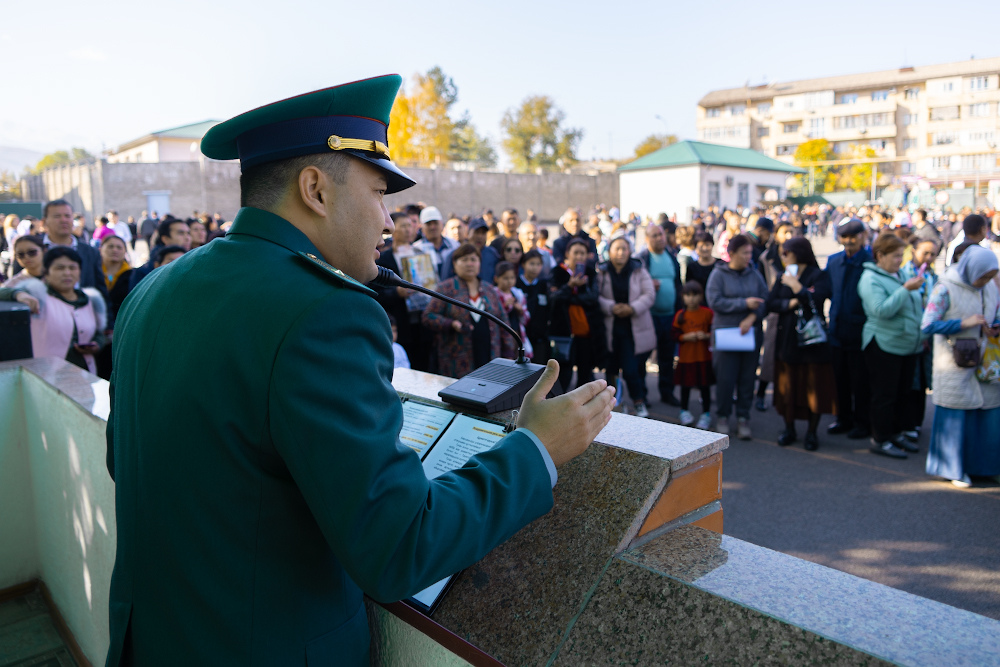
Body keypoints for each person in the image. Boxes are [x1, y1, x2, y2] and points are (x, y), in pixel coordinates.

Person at [103, 76, 615, 666]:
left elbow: (130, 463)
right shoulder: (324, 311)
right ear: (316, 189)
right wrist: (537, 449)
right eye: (378, 193)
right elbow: (399, 547)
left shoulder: (155, 288)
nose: (388, 223)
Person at [921, 245, 1000, 487]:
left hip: (985, 362)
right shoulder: (944, 287)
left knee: (988, 416)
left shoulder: (988, 286)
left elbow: (994, 311)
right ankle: (953, 469)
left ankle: (986, 468)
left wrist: (994, 325)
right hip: (954, 363)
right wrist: (962, 323)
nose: (987, 280)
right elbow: (927, 325)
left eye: (991, 275)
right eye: (984, 275)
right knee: (956, 415)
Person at [858, 233, 926, 458]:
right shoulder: (870, 279)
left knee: (901, 394)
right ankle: (880, 438)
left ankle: (895, 433)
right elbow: (881, 310)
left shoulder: (899, 274)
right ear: (880, 256)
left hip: (907, 345)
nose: (900, 260)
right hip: (884, 345)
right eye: (896, 256)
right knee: (884, 396)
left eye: (901, 255)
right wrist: (906, 289)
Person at [766, 237, 835, 451]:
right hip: (787, 339)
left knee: (813, 386)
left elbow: (820, 297)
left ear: (798, 253)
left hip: (813, 342)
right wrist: (790, 302)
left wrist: (797, 287)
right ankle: (789, 429)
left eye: (786, 253)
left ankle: (812, 433)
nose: (782, 257)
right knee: (789, 386)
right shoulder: (783, 275)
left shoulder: (818, 275)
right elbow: (771, 303)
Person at [0, 247, 107, 374]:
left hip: (85, 373)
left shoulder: (91, 299)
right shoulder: (37, 293)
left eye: (72, 268)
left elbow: (99, 333)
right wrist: (18, 294)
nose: (67, 273)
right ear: (46, 272)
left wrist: (97, 344)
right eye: (59, 268)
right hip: (45, 374)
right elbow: (3, 292)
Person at [423, 243, 517, 378]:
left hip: (490, 358)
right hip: (457, 361)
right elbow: (428, 316)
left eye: (473, 259)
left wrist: (508, 353)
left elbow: (504, 322)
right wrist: (450, 324)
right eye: (464, 259)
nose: (470, 264)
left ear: (479, 263)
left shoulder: (489, 289)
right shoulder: (446, 288)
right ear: (455, 264)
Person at [705, 234, 767, 439]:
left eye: (750, 252)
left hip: (750, 334)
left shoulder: (754, 274)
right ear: (731, 254)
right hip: (725, 334)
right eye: (745, 252)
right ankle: (722, 416)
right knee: (725, 378)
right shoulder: (718, 275)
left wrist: (751, 316)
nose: (749, 256)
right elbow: (715, 301)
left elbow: (764, 301)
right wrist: (744, 303)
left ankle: (743, 417)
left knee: (747, 379)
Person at [824, 218, 872, 439]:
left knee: (860, 381)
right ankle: (843, 418)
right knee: (839, 379)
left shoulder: (871, 261)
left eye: (853, 237)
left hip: (860, 331)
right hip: (837, 329)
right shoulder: (834, 261)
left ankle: (862, 422)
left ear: (863, 236)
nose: (849, 242)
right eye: (844, 238)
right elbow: (826, 290)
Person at [598, 236, 656, 418]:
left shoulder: (639, 269)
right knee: (611, 368)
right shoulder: (602, 271)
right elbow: (596, 295)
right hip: (610, 326)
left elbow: (649, 294)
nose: (621, 252)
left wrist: (632, 308)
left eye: (624, 249)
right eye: (617, 249)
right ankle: (614, 404)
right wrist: (611, 307)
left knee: (631, 369)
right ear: (610, 252)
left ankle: (639, 402)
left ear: (630, 251)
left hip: (633, 326)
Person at [635, 223, 683, 406]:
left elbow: (677, 283)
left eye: (661, 234)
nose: (659, 238)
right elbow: (634, 286)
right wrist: (646, 286)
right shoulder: (642, 259)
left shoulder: (672, 256)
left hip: (670, 315)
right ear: (647, 239)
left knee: (667, 356)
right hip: (649, 316)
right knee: (643, 357)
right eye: (654, 235)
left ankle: (667, 392)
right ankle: (642, 395)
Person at [899, 238, 941, 439]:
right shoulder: (903, 273)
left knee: (923, 380)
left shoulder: (935, 276)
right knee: (909, 380)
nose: (929, 258)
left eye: (933, 254)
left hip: (928, 337)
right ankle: (906, 423)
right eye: (925, 253)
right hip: (909, 333)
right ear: (914, 251)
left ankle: (916, 422)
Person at [551, 238, 605, 393]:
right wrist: (570, 286)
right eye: (576, 253)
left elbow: (593, 298)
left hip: (587, 333)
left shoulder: (590, 274)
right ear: (568, 253)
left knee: (585, 375)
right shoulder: (558, 272)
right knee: (563, 374)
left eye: (583, 253)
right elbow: (554, 298)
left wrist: (571, 297)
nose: (579, 256)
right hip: (564, 333)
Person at [31, 200, 109, 301]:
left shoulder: (90, 253)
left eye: (67, 216)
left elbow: (101, 291)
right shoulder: (32, 251)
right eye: (57, 216)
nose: (63, 220)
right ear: (44, 222)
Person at [755, 221, 794, 411]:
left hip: (794, 309)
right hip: (773, 310)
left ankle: (786, 397)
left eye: (792, 232)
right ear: (776, 234)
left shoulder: (799, 255)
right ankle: (761, 393)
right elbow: (761, 285)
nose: (788, 236)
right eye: (784, 232)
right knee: (769, 354)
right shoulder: (766, 257)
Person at [672, 281, 714, 429]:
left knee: (705, 386)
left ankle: (706, 414)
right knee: (686, 386)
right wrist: (685, 337)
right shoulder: (680, 315)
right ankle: (684, 411)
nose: (691, 299)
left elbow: (714, 331)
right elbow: (674, 334)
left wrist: (706, 335)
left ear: (701, 296)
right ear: (682, 297)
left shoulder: (707, 313)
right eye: (687, 295)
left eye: (695, 295)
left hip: (704, 357)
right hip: (686, 358)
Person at [95, 235, 133, 379]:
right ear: (101, 249)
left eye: (119, 247)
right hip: (96, 333)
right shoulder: (92, 273)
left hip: (121, 331)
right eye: (110, 246)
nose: (114, 250)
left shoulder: (132, 275)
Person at [127, 218, 192, 292]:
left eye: (188, 233)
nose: (188, 238)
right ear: (165, 239)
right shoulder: (144, 272)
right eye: (181, 233)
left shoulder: (193, 262)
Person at [440, 218, 499, 283]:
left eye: (483, 233)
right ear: (467, 234)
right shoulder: (455, 254)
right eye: (476, 232)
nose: (480, 236)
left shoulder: (492, 253)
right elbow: (445, 281)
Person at [517, 249, 550, 364]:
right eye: (531, 263)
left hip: (540, 337)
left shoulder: (543, 285)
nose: (535, 267)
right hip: (521, 337)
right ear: (523, 264)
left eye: (538, 264)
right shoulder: (516, 284)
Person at [494, 261, 531, 358]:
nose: (509, 281)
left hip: (516, 334)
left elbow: (526, 318)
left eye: (512, 278)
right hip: (500, 336)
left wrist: (520, 310)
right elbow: (493, 315)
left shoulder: (518, 294)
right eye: (505, 278)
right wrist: (505, 307)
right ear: (496, 278)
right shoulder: (493, 294)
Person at [413, 206, 458, 276]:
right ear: (421, 228)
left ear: (442, 225)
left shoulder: (455, 245)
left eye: (436, 223)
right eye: (428, 224)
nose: (432, 227)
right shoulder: (416, 249)